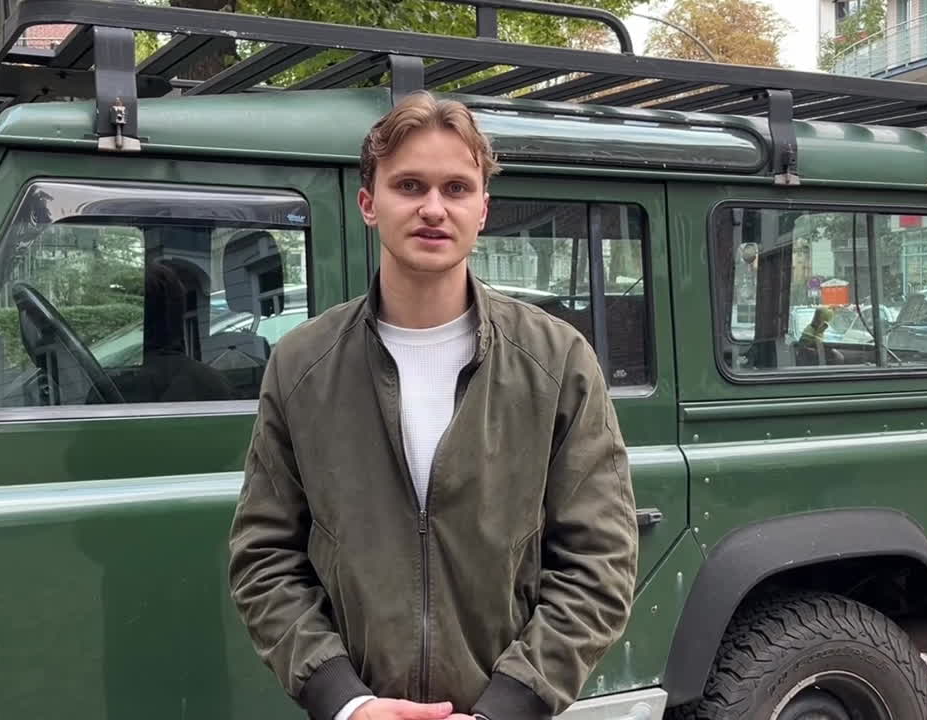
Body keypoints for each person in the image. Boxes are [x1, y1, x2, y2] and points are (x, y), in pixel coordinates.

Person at [228, 91, 639, 720]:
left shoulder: (556, 361)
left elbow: (599, 561)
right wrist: (345, 701)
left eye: (456, 188)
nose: (433, 208)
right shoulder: (302, 365)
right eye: (409, 185)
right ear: (369, 204)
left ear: (483, 209)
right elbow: (265, 557)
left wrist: (510, 705)